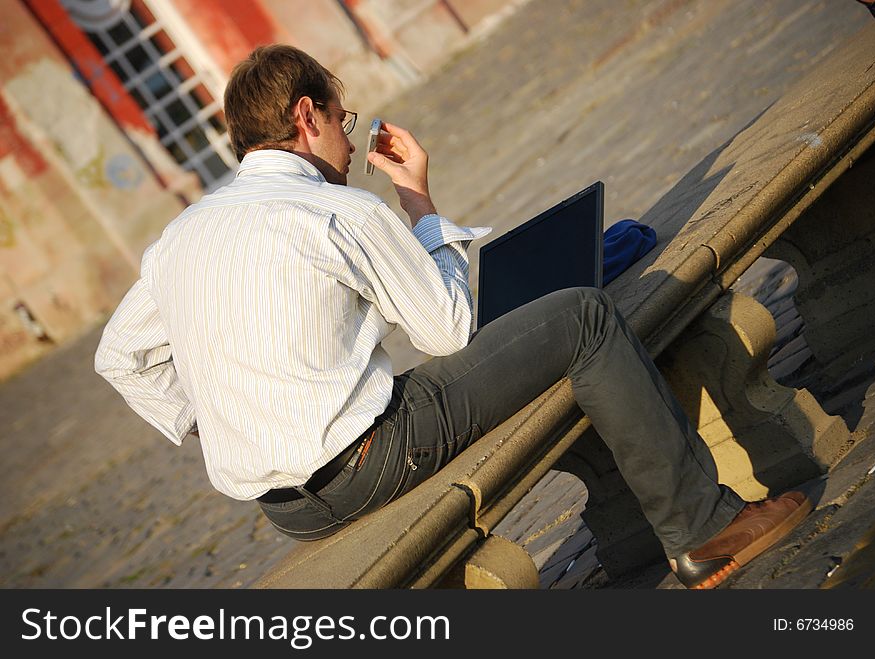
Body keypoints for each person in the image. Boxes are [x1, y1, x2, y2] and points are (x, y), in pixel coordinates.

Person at [95, 45, 813, 590]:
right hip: (367, 461)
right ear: (304, 116)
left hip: (286, 508)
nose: (349, 143)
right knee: (586, 318)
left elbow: (120, 356)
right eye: (343, 121)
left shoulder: (183, 234)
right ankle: (705, 530)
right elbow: (450, 331)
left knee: (526, 332)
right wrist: (417, 200)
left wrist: (221, 417)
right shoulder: (337, 211)